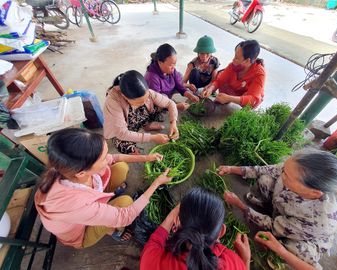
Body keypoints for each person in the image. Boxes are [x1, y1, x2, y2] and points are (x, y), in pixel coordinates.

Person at [35, 128, 172, 249]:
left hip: (89, 200)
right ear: (82, 173)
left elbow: (114, 158)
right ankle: (112, 231)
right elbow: (125, 217)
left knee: (121, 167)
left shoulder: (68, 170)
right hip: (81, 232)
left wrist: (147, 158)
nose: (108, 158)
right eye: (103, 159)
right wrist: (157, 183)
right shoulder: (75, 205)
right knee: (125, 203)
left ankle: (105, 199)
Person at [217, 149, 337, 270]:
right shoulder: (297, 169)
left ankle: (278, 257)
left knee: (297, 250)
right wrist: (231, 169)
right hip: (286, 210)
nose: (282, 174)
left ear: (314, 193)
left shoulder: (319, 220)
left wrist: (239, 204)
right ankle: (268, 208)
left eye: (286, 176)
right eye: (284, 170)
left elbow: (273, 225)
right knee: (265, 180)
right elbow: (264, 170)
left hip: (301, 234)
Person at [140, 187, 251, 270]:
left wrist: (175, 211)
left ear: (177, 223)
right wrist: (245, 261)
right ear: (221, 232)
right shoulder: (233, 263)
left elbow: (155, 241)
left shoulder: (154, 260)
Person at [104, 70, 179, 154]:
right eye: (138, 102)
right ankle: (141, 131)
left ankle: (146, 125)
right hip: (126, 126)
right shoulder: (113, 101)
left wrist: (173, 123)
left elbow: (170, 103)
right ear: (124, 96)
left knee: (162, 102)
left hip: (139, 117)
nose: (144, 103)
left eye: (146, 98)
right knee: (124, 145)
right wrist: (152, 137)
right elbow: (121, 133)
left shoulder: (146, 91)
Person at [202, 40, 265, 109]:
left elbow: (253, 99)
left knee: (252, 101)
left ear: (247, 61)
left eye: (237, 58)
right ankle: (224, 100)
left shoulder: (259, 73)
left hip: (245, 94)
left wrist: (230, 98)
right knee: (221, 76)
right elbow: (219, 80)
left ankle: (231, 102)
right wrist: (211, 89)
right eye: (234, 56)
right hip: (235, 90)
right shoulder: (233, 66)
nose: (233, 60)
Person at [144, 43, 199, 111]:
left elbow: (179, 85)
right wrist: (175, 106)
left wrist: (189, 95)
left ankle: (169, 101)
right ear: (160, 62)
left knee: (179, 78)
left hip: (167, 92)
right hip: (156, 101)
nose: (173, 67)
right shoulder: (151, 78)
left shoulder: (171, 70)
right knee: (164, 97)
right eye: (170, 65)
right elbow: (156, 102)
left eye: (174, 64)